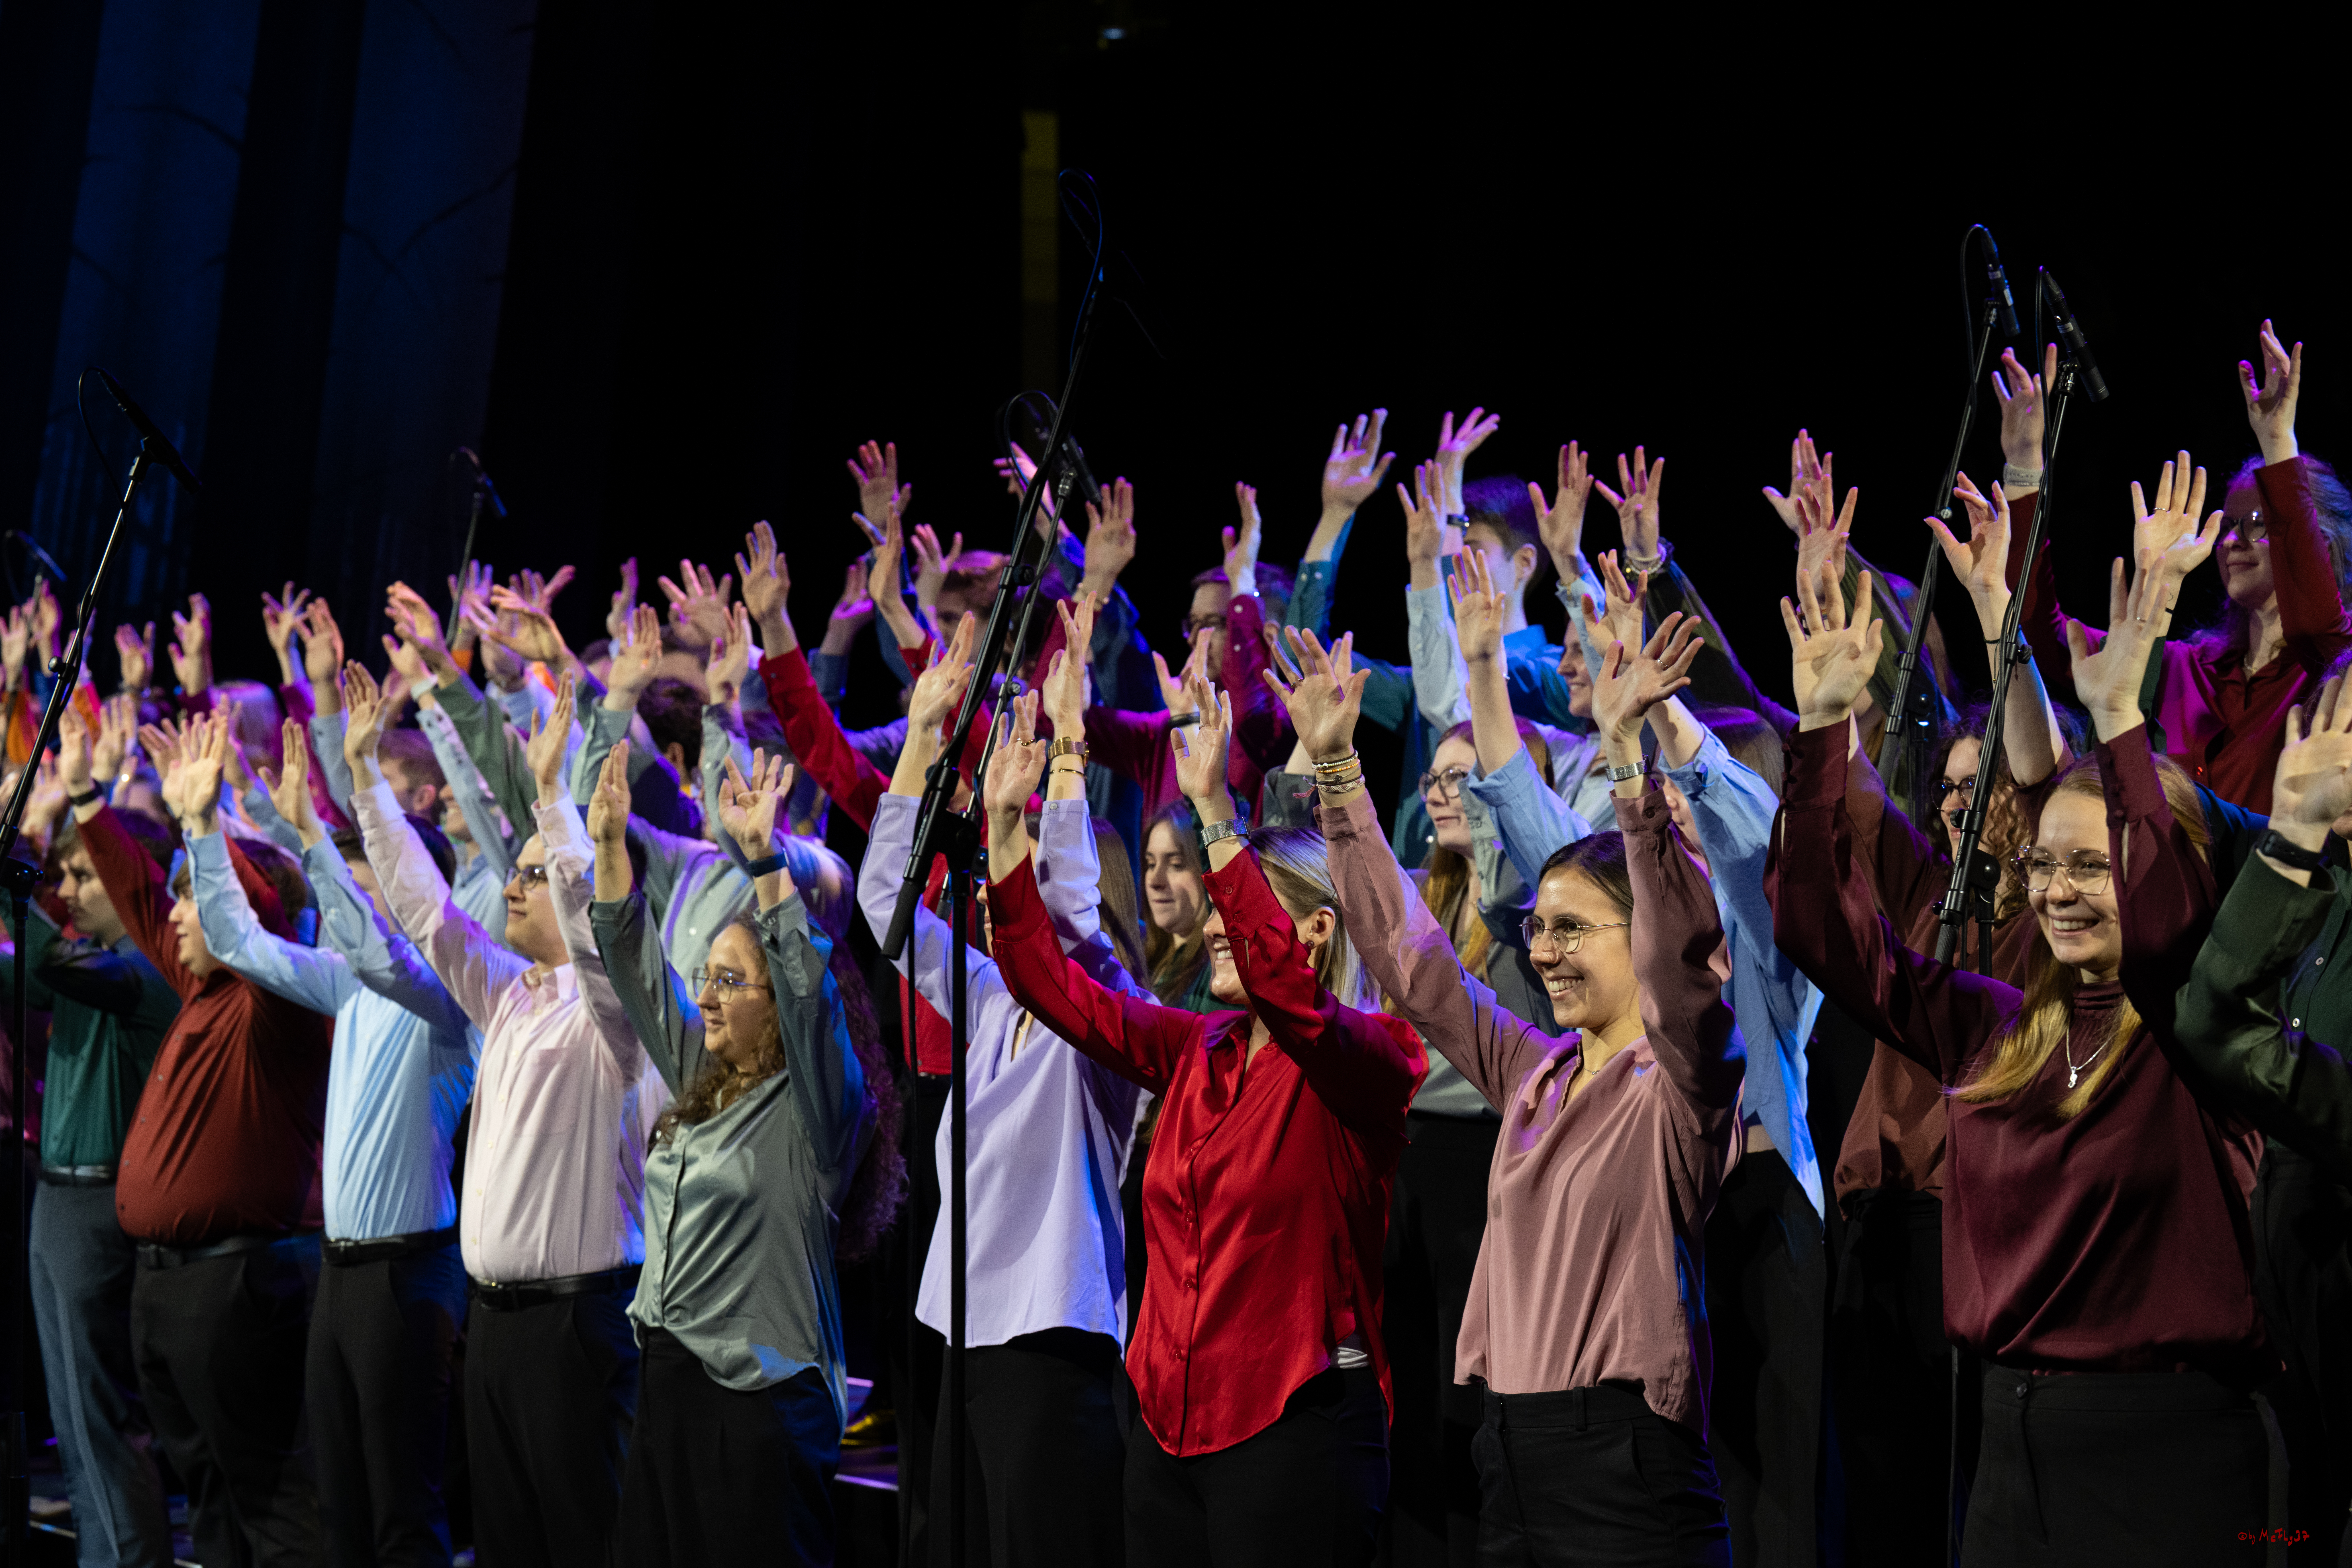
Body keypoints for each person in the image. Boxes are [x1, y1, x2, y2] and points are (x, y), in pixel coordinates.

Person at [1768, 505, 2278, 1561]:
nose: (2056, 891)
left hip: (2169, 1445)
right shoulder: (1994, 1022)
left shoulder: (2197, 1027)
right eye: (2043, 865)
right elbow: (1825, 933)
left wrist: (2124, 724)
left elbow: (2168, 912)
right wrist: (1822, 734)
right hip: (2007, 1440)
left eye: (2088, 866)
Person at [1293, 599, 1744, 1565]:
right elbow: (1415, 964)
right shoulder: (1534, 1074)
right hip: (1507, 1450)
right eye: (1538, 929)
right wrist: (1338, 775)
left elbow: (1682, 960)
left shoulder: (1683, 1080)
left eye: (1572, 929)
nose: (1544, 951)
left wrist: (1627, 770)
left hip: (1622, 1465)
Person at [986, 658, 1424, 1566]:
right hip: (1164, 1429)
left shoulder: (1371, 1061)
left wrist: (1218, 814)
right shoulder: (1198, 1048)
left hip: (1294, 1432)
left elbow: (1291, 996)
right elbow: (1049, 986)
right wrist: (1002, 829)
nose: (1217, 920)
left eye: (1240, 901)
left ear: (1316, 930)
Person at [346, 664, 663, 1568]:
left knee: (583, 1544)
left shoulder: (617, 1011)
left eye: (532, 876)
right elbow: (423, 907)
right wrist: (366, 777)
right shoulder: (510, 994)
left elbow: (596, 923)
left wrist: (554, 800)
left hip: (576, 1327)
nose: (514, 888)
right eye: (517, 873)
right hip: (495, 1326)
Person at [860, 602, 1141, 1565]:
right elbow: (881, 901)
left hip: (1052, 1343)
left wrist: (1059, 768)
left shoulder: (1101, 1017)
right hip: (962, 1330)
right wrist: (918, 743)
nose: (994, 895)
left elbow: (1069, 925)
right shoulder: (983, 995)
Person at [583, 740, 894, 1563]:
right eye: (708, 979)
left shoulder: (820, 1109)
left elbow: (808, 990)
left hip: (757, 1406)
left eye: (729, 982)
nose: (708, 997)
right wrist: (610, 847)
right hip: (668, 1387)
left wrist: (763, 867)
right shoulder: (700, 1074)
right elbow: (639, 967)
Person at [188, 714, 479, 1567]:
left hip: (407, 1274)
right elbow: (240, 940)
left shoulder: (452, 994)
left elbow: (386, 955)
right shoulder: (348, 987)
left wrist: (311, 829)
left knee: (402, 1511)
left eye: (365, 883)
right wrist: (203, 826)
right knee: (340, 1509)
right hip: (341, 1271)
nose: (343, 901)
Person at [62, 708, 334, 1567]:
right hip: (171, 1288)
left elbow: (244, 918)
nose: (173, 914)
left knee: (270, 1503)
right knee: (213, 1500)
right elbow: (140, 896)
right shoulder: (203, 990)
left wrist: (202, 824)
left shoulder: (277, 1005)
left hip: (236, 1284)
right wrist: (81, 796)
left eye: (194, 895)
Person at [2008, 324, 2352, 812]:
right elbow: (2041, 638)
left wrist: (2279, 446)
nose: (2233, 540)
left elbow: (2316, 618)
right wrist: (2024, 469)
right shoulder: (2182, 667)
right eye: (2228, 523)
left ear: (2319, 539)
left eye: (2259, 522)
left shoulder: (2333, 664)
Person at [2169, 680, 2352, 1568]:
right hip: (2289, 1307)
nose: (2326, 752)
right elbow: (2161, 805)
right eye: (2326, 723)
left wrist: (2291, 834)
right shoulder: (2327, 883)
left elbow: (2212, 1025)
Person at [3, 745, 179, 1568]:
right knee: (75, 1419)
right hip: (61, 1201)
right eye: (61, 878)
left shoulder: (150, 969)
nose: (66, 893)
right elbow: (31, 970)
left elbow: (45, 959)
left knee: (100, 1420)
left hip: (98, 1208)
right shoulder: (89, 964)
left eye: (83, 877)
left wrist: (6, 871)